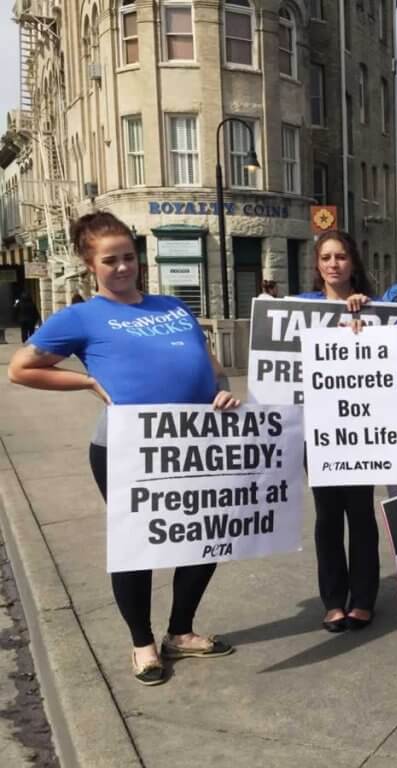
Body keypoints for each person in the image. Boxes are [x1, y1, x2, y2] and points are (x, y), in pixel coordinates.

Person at [8, 212, 241, 686]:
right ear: (90, 265)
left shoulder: (172, 307)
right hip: (126, 449)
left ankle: (181, 631)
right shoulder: (80, 316)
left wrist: (221, 390)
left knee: (205, 535)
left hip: (196, 444)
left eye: (128, 257)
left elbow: (212, 365)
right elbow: (20, 368)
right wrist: (87, 381)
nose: (122, 267)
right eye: (110, 260)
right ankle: (143, 644)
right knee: (138, 545)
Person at [293, 231, 379, 633]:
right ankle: (333, 599)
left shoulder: (370, 308)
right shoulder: (300, 308)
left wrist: (362, 316)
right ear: (317, 265)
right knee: (328, 516)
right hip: (317, 430)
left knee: (360, 514)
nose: (333, 264)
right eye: (325, 257)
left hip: (360, 427)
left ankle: (362, 598)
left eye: (341, 256)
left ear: (352, 262)